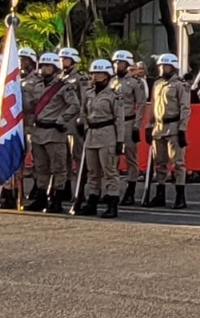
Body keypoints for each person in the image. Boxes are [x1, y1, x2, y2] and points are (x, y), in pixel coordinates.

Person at [25, 53, 82, 212]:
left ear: (55, 68)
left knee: (59, 168)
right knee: (40, 167)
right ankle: (41, 197)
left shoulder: (63, 86)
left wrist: (62, 120)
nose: (45, 68)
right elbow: (31, 106)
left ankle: (57, 198)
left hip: (54, 132)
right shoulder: (37, 86)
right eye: (42, 65)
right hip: (38, 132)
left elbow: (75, 106)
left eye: (48, 66)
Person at [75, 58, 129, 219]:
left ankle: (112, 204)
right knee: (93, 172)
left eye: (99, 73)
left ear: (107, 75)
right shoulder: (89, 93)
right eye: (94, 73)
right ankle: (92, 202)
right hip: (91, 135)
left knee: (110, 171)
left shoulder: (114, 95)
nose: (96, 76)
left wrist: (120, 141)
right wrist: (82, 125)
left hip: (107, 135)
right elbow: (84, 112)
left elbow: (119, 120)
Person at [144, 52, 191, 207]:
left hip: (173, 127)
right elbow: (153, 106)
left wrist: (182, 129)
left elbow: (185, 108)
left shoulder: (180, 85)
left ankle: (180, 196)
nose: (162, 68)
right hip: (158, 127)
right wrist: (149, 126)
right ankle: (160, 194)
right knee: (160, 163)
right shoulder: (157, 84)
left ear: (173, 67)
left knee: (178, 163)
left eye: (165, 66)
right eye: (161, 66)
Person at [110, 51, 146, 204]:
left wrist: (137, 126)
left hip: (128, 122)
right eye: (116, 62)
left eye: (121, 63)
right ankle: (112, 191)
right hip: (112, 124)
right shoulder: (111, 81)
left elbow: (141, 104)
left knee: (131, 158)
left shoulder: (135, 83)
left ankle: (130, 191)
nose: (118, 65)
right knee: (112, 159)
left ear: (127, 64)